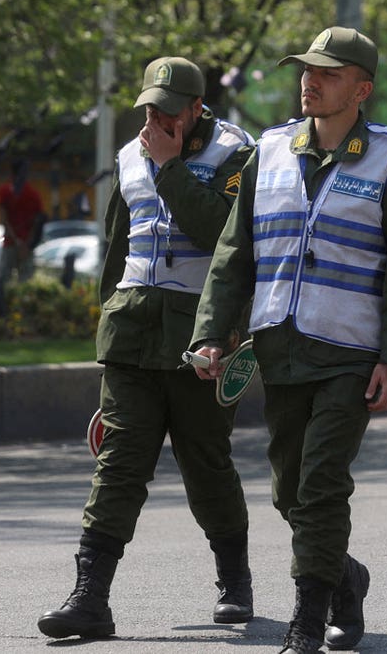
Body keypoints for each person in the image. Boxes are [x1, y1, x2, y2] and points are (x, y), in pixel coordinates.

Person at [190, 27, 387, 653]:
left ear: (362, 89)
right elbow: (234, 253)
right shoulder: (268, 151)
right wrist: (213, 332)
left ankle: (306, 621)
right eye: (306, 70)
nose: (310, 81)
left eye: (327, 72)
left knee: (321, 485)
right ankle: (346, 579)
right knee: (290, 493)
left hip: (351, 353)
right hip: (281, 348)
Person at [37, 56, 256, 639]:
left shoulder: (236, 154)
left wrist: (170, 167)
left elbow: (225, 234)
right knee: (119, 464)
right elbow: (118, 246)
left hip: (200, 334)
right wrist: (107, 315)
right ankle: (90, 597)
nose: (157, 120)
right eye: (151, 108)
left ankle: (234, 579)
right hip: (131, 331)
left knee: (205, 463)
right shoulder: (129, 155)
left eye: (170, 111)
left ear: (196, 109)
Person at [0, 158, 45, 282]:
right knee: (26, 282)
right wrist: (26, 244)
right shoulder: (33, 194)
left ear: (12, 173)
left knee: (4, 280)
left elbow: (4, 220)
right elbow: (37, 223)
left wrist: (17, 241)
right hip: (25, 246)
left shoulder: (5, 191)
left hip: (10, 243)